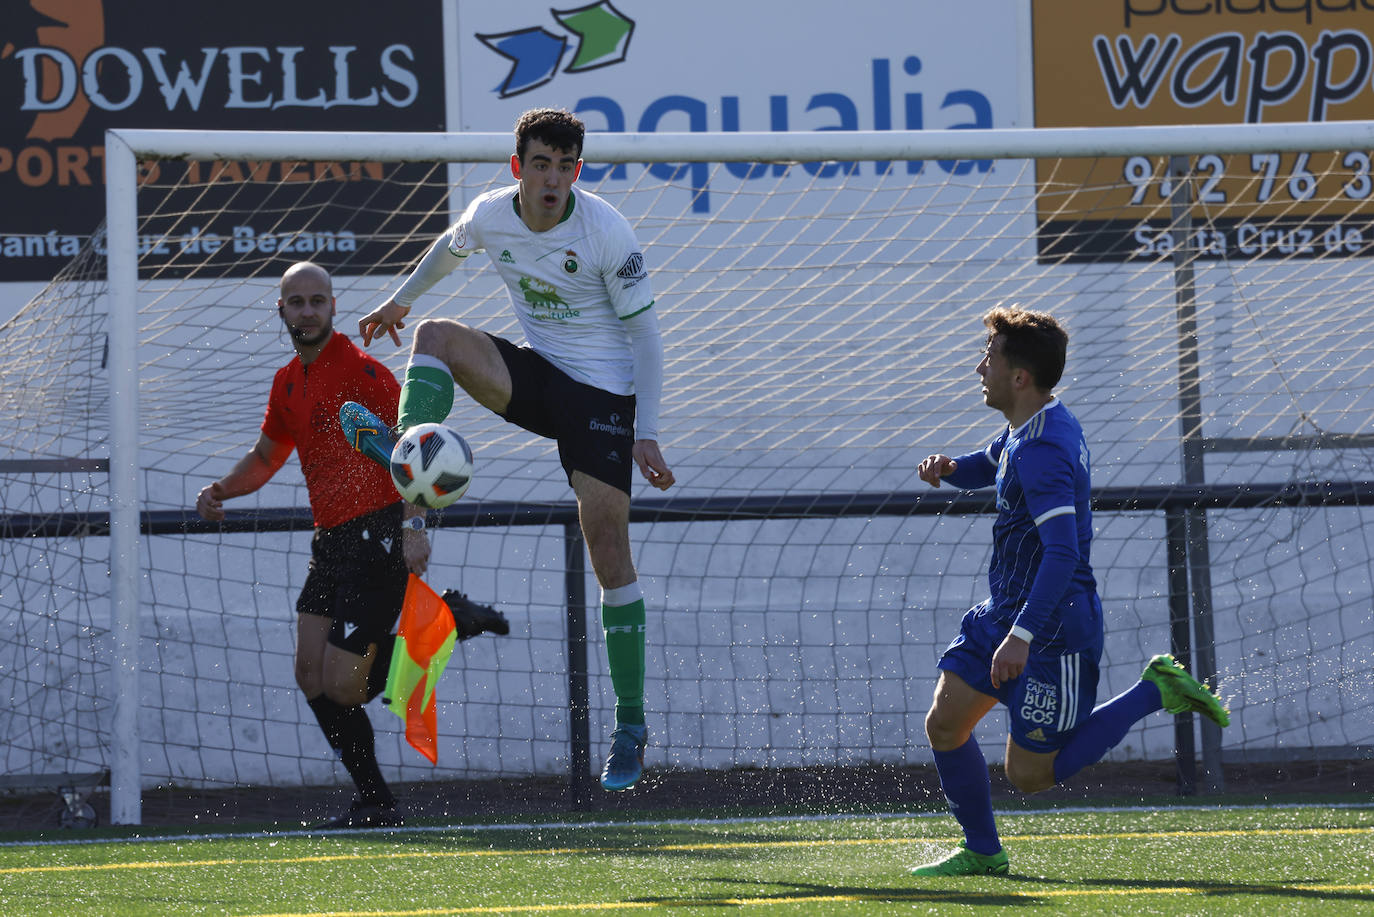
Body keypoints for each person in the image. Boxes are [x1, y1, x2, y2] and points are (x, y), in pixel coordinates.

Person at [348, 107, 675, 793]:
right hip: (535, 375)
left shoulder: (605, 230)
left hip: (603, 401)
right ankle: (409, 455)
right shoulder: (493, 213)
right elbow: (450, 244)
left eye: (565, 166)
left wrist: (646, 427)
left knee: (608, 548)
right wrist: (399, 302)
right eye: (540, 164)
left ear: (577, 172)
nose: (551, 178)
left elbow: (646, 338)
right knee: (433, 336)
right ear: (517, 166)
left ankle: (631, 723)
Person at [909, 306, 1229, 877]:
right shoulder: (1030, 425)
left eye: (990, 357)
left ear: (1019, 377)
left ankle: (1155, 690)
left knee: (1029, 775)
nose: (979, 367)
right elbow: (993, 460)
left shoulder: (1044, 450)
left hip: (1052, 631)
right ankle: (984, 851)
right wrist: (953, 468)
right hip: (1006, 613)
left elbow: (1064, 553)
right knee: (945, 724)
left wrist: (1022, 637)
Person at [197, 261, 437, 828]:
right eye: (296, 302)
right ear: (281, 310)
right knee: (310, 675)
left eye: (317, 300)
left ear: (333, 307)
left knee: (344, 683)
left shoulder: (362, 372)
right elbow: (265, 458)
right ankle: (375, 801)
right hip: (329, 542)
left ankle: (432, 636)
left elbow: (416, 452)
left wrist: (415, 526)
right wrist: (221, 490)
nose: (307, 310)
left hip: (379, 534)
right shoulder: (286, 382)